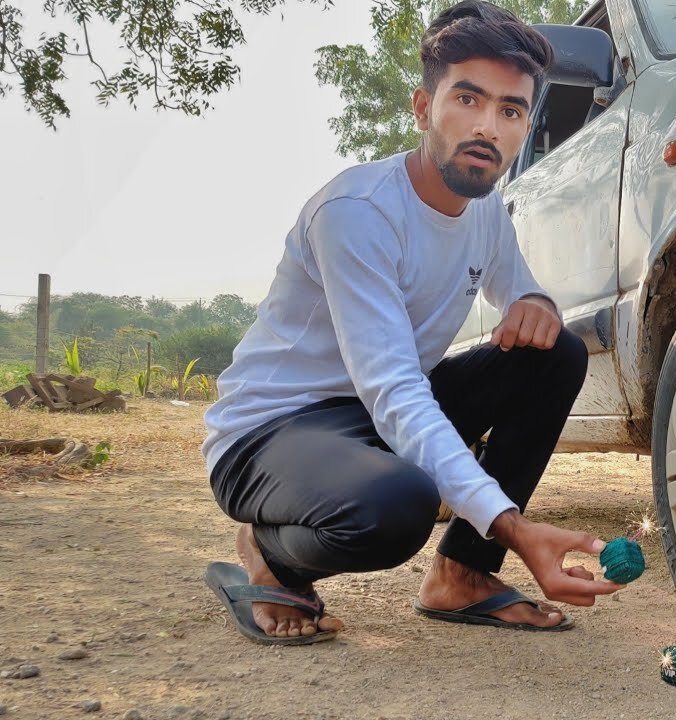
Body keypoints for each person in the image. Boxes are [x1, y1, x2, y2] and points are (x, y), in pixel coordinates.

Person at [200, 0, 619, 645]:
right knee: (396, 508)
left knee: (554, 351)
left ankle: (462, 576)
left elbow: (520, 285)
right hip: (273, 432)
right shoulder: (357, 212)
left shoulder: (484, 207)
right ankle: (270, 556)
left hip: (372, 417)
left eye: (511, 110)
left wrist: (535, 303)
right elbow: (394, 389)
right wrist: (512, 525)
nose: (488, 126)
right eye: (468, 100)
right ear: (424, 108)